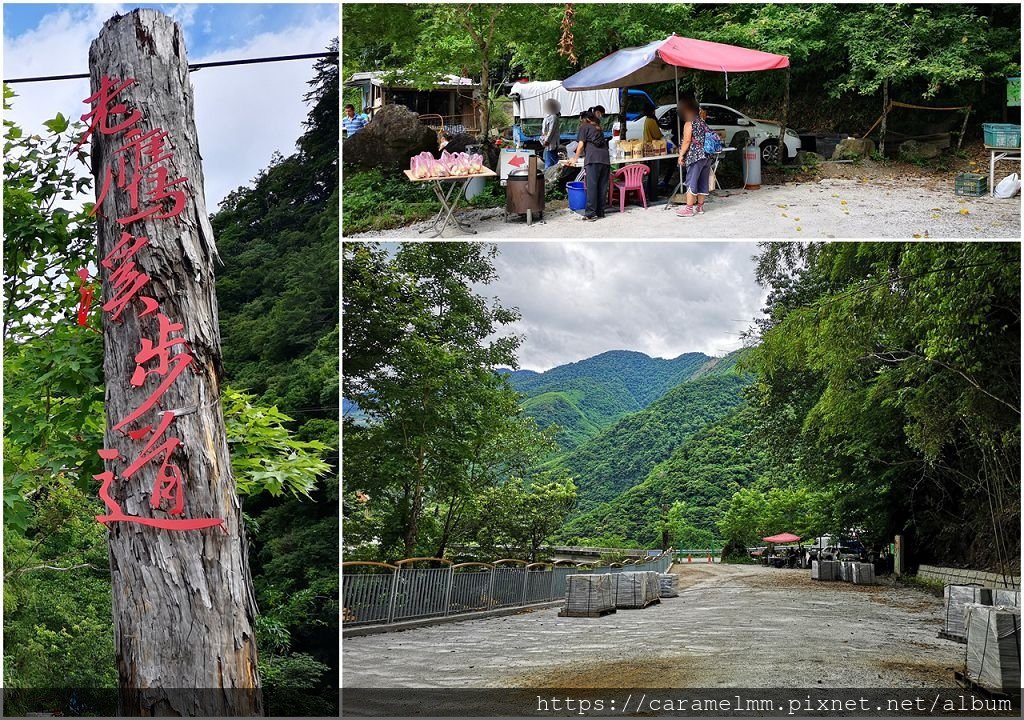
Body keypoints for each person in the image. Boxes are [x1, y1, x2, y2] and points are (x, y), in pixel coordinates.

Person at [676, 97, 713, 218]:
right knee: (703, 181)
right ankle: (700, 207)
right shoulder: (702, 121)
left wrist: (681, 155)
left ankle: (689, 209)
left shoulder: (689, 123)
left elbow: (687, 141)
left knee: (691, 181)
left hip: (695, 156)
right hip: (706, 156)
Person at [570, 111, 610, 221]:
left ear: (585, 119)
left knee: (592, 187)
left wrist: (575, 158)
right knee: (602, 186)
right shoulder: (598, 127)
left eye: (581, 120)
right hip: (605, 159)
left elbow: (581, 145)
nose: (580, 122)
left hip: (593, 160)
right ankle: (600, 212)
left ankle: (590, 214)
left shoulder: (585, 127)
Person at [539, 98, 561, 169]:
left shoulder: (553, 117)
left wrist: (547, 141)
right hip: (547, 142)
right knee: (549, 160)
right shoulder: (547, 116)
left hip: (551, 143)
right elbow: (544, 130)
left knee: (552, 161)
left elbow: (551, 131)